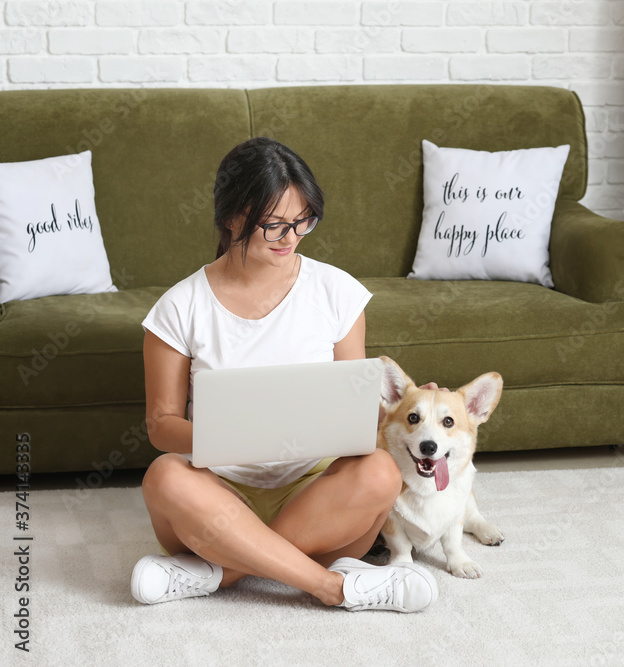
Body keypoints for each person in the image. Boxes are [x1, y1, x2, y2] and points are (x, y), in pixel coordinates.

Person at [130, 137, 437, 613]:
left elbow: (356, 411)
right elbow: (161, 424)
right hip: (219, 491)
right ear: (232, 217)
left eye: (302, 222)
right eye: (273, 226)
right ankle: (331, 586)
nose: (290, 238)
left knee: (378, 470)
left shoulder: (336, 292)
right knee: (165, 478)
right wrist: (240, 437)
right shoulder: (180, 306)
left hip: (316, 498)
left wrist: (415, 409)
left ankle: (220, 573)